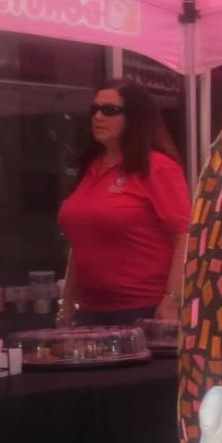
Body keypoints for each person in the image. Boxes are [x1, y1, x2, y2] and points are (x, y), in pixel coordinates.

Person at [56, 82, 190, 328]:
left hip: (144, 309)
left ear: (135, 118)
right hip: (90, 310)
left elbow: (185, 236)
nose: (98, 117)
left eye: (110, 110)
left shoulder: (157, 167)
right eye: (94, 109)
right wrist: (66, 303)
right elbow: (81, 242)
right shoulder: (91, 166)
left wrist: (172, 301)